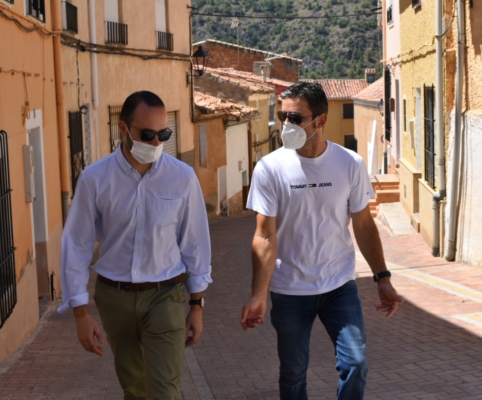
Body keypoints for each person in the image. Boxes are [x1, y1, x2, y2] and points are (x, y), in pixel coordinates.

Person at [240, 82, 403, 400]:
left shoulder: (349, 164)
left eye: (296, 118)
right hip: (289, 292)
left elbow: (364, 225)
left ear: (321, 120)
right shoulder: (270, 169)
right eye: (282, 116)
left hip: (339, 287)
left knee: (356, 364)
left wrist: (382, 277)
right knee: (293, 374)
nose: (287, 124)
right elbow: (264, 235)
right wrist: (258, 294)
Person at [58, 91, 212, 400]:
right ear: (123, 128)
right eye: (148, 134)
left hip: (165, 296)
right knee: (135, 390)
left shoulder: (182, 178)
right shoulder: (95, 179)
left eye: (164, 134)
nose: (157, 143)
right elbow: (76, 245)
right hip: (114, 300)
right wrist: (80, 314)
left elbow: (195, 242)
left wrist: (196, 304)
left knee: (164, 392)